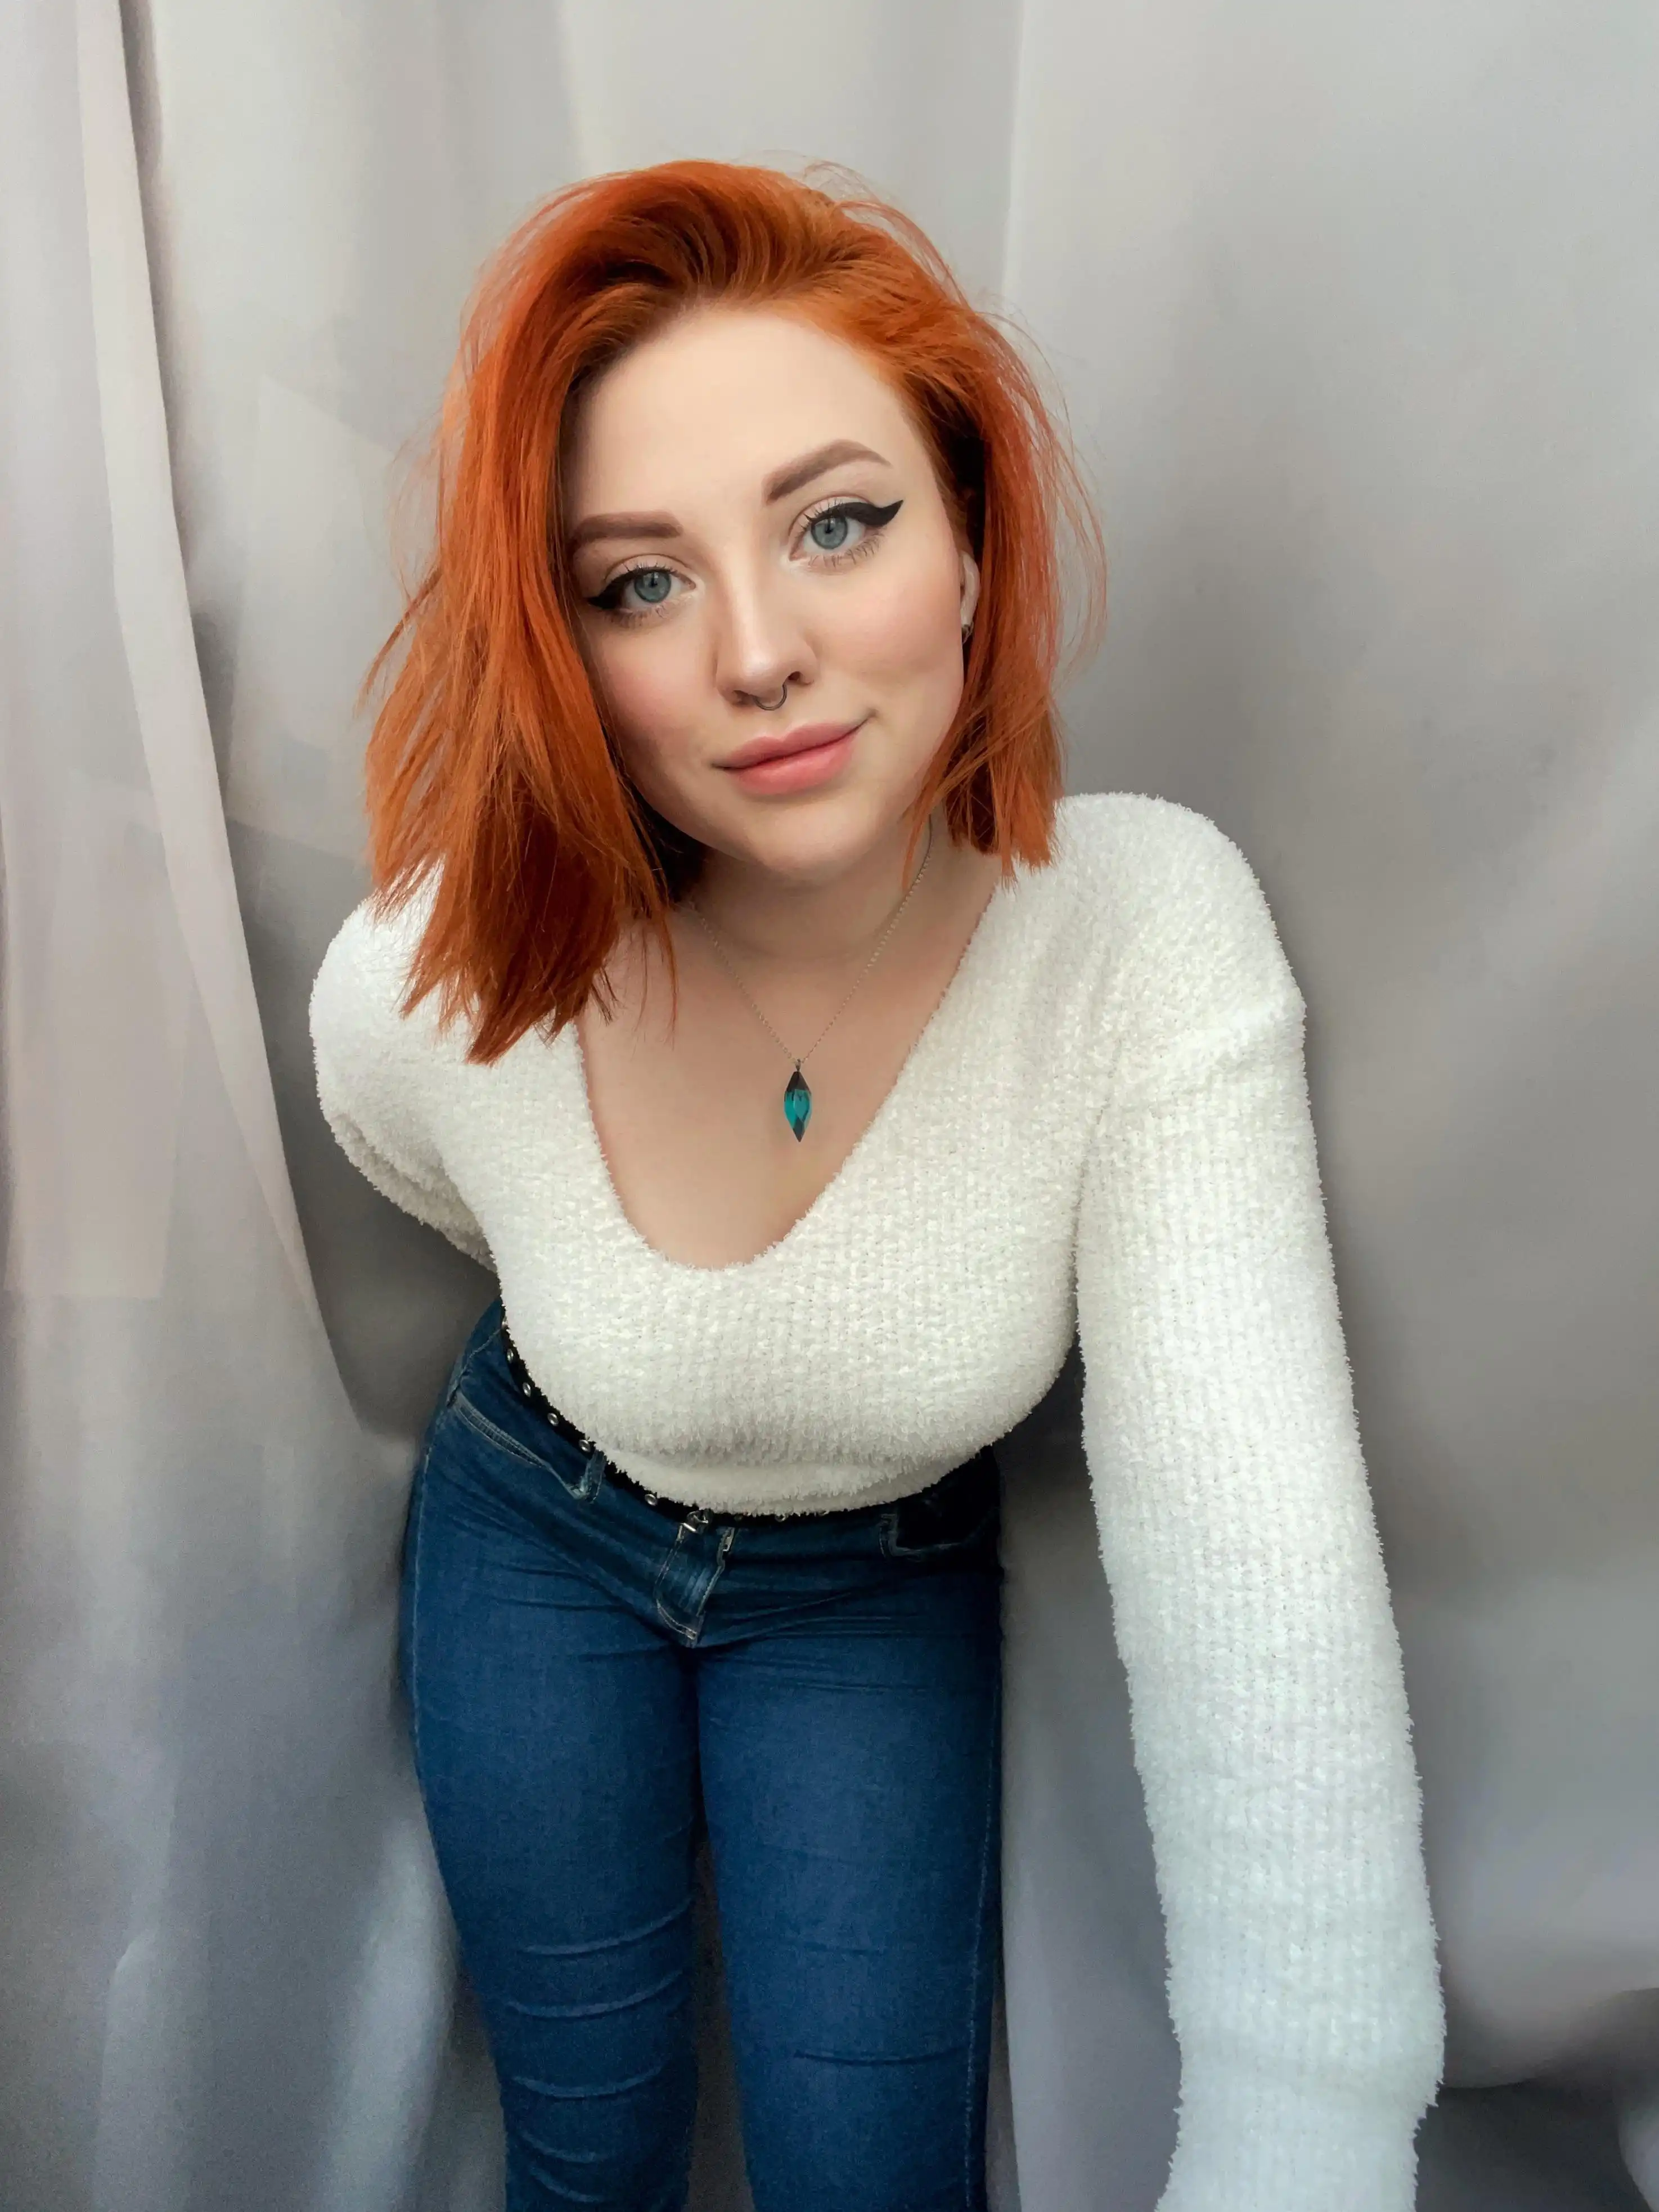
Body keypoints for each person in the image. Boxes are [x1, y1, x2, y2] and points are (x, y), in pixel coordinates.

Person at [309, 160, 1444, 2212]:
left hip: (867, 1584)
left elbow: (1251, 1560)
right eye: (637, 583)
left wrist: (1312, 2131)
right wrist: (646, 1318)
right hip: (533, 1528)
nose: (758, 653)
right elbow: (423, 1163)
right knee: (585, 2152)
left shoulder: (1140, 934)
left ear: (974, 547)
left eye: (837, 523)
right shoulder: (430, 972)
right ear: (561, 644)